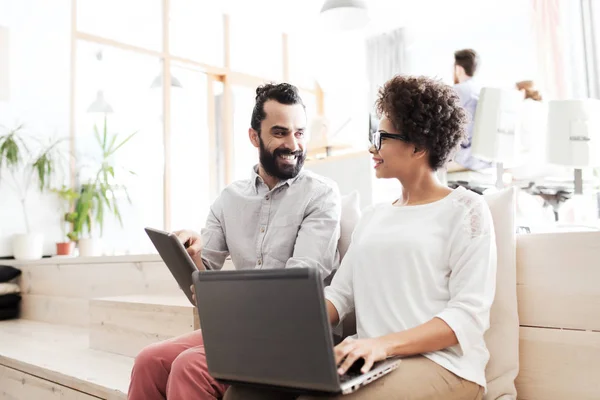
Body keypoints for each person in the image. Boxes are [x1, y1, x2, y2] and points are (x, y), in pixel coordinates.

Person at [224, 75, 497, 400]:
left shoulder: (466, 209)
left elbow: (467, 316)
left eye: (382, 137)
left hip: (444, 366)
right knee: (245, 391)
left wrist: (382, 344)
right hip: (372, 360)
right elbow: (338, 296)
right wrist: (279, 322)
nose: (372, 147)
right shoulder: (374, 217)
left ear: (419, 145)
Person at [127, 82, 342, 400]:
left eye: (299, 132)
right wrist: (193, 255)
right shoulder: (230, 198)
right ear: (254, 136)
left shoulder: (321, 195)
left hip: (294, 335)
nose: (293, 143)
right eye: (280, 132)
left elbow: (294, 293)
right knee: (149, 361)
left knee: (190, 367)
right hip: (241, 331)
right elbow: (202, 285)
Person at [449, 48, 491, 172]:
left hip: (464, 159)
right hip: (482, 159)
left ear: (458, 69)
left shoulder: (459, 91)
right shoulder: (480, 90)